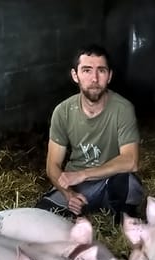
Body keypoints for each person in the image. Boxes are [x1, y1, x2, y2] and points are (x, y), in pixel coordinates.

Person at [35, 44, 146, 220]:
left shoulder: (122, 108)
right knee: (41, 215)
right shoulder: (63, 111)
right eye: (86, 70)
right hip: (78, 187)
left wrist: (83, 174)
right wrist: (68, 194)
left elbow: (130, 161)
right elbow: (52, 165)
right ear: (75, 75)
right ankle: (83, 211)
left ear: (109, 76)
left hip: (111, 181)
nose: (94, 78)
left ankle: (122, 220)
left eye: (101, 71)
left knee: (127, 184)